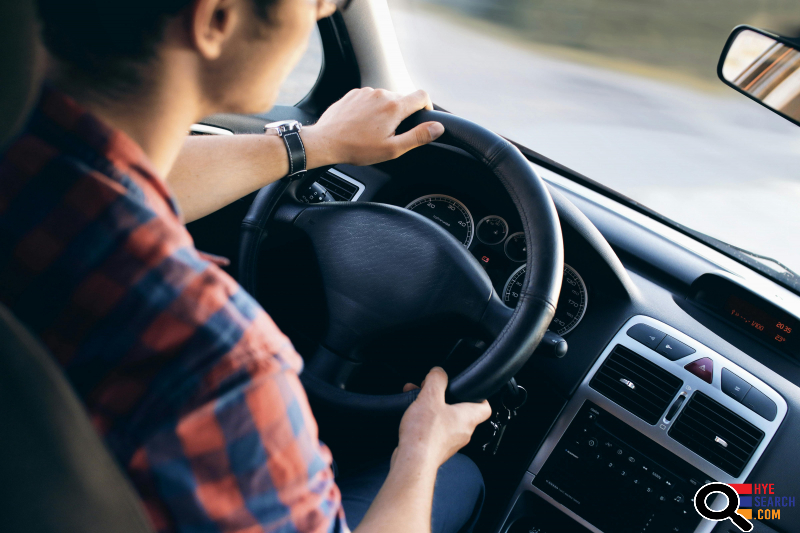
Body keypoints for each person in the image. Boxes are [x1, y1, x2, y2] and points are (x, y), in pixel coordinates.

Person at [0, 0, 493, 532]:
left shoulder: (26, 162)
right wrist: (419, 451)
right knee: (457, 477)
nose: (324, 9)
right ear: (216, 18)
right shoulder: (216, 361)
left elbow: (126, 179)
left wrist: (316, 143)